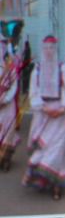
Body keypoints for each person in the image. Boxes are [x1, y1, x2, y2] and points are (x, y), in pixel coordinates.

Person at [22, 36, 65, 200]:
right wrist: (44, 108)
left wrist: (62, 108)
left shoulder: (63, 68)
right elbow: (33, 93)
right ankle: (44, 181)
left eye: (52, 48)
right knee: (42, 150)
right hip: (42, 116)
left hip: (59, 116)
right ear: (43, 49)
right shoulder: (37, 69)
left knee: (58, 150)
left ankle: (57, 185)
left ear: (56, 49)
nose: (49, 51)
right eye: (46, 48)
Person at [0, 37, 22, 172]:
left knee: (8, 132)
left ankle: (6, 159)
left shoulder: (11, 67)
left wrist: (4, 100)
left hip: (7, 107)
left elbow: (14, 86)